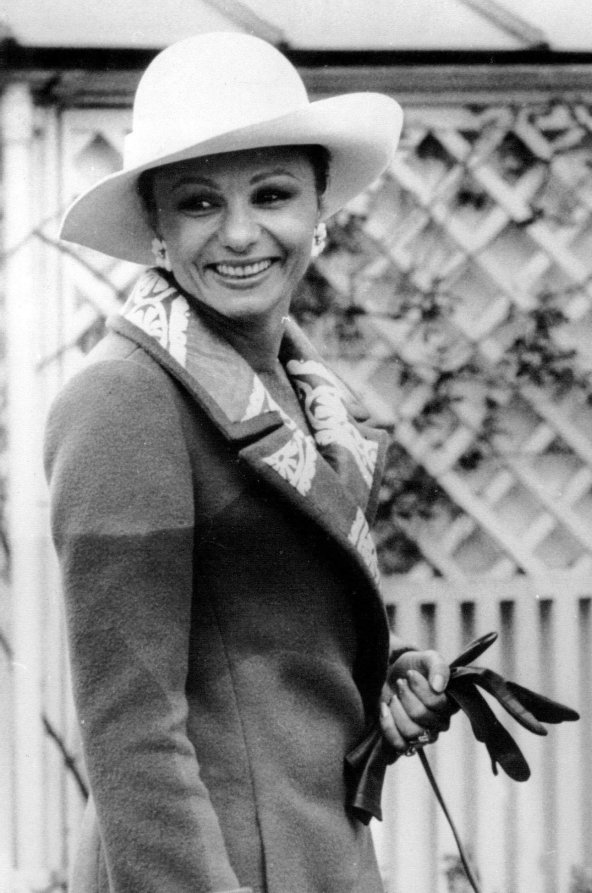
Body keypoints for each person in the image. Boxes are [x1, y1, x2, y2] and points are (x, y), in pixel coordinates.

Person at [46, 32, 455, 893]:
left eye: (272, 194)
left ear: (319, 210)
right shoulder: (126, 400)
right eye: (199, 204)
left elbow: (263, 642)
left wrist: (378, 679)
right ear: (156, 227)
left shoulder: (302, 389)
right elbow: (132, 733)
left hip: (321, 855)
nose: (241, 234)